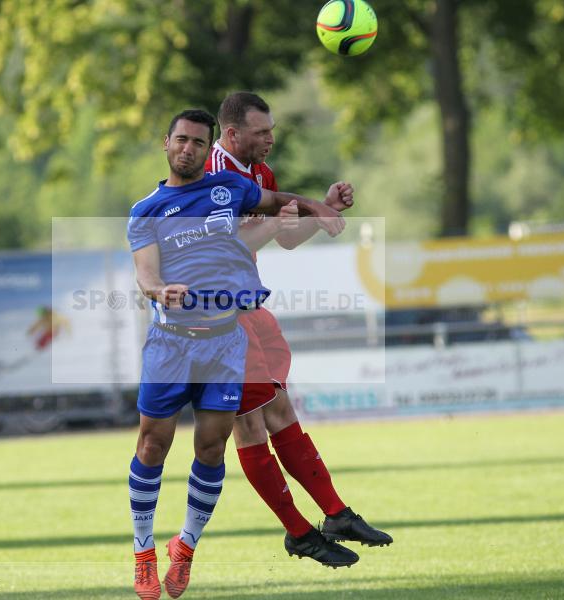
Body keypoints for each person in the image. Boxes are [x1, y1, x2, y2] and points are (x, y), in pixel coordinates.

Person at [127, 108, 346, 600]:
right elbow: (145, 274)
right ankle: (143, 551)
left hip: (225, 343)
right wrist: (160, 291)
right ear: (166, 144)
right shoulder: (147, 210)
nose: (188, 149)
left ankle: (184, 549)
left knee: (210, 449)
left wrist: (317, 204)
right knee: (152, 447)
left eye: (197, 143)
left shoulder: (230, 191)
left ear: (209, 151)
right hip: (171, 345)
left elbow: (278, 206)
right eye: (180, 140)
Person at [205, 91, 393, 567]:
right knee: (249, 425)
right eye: (261, 131)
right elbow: (233, 242)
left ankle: (333, 514)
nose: (270, 138)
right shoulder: (211, 177)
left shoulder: (260, 174)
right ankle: (300, 532)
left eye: (272, 129)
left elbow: (283, 238)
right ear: (232, 134)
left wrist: (323, 208)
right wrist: (298, 213)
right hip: (214, 316)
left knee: (279, 410)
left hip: (247, 307)